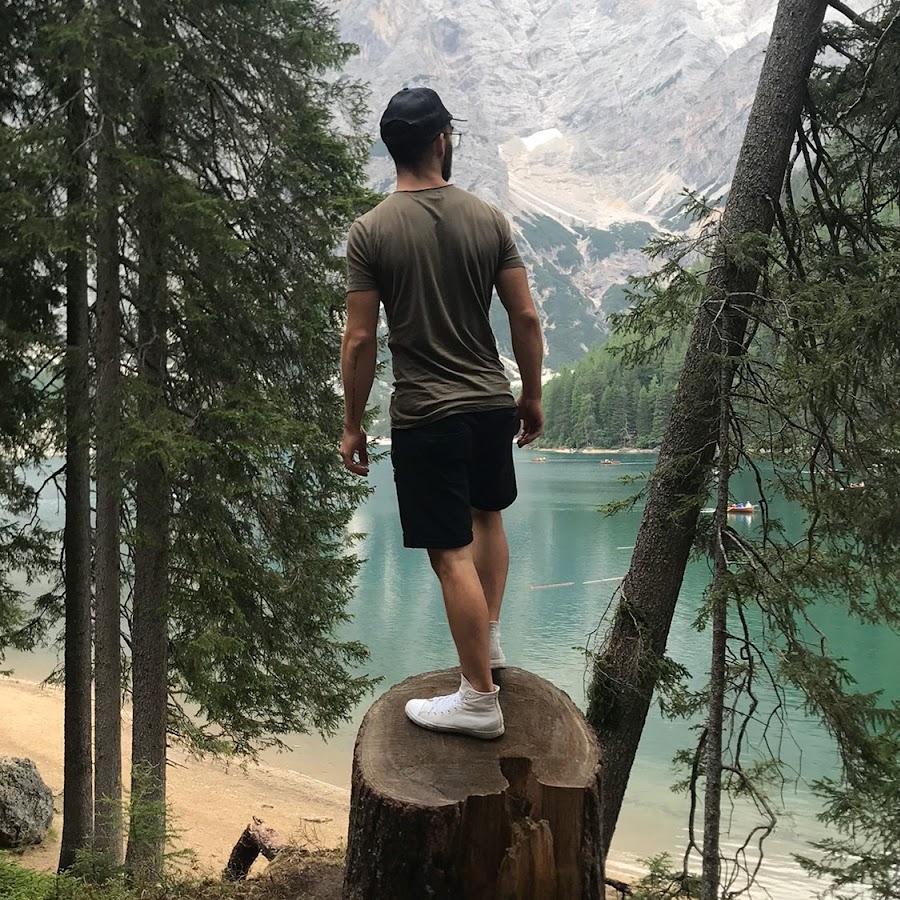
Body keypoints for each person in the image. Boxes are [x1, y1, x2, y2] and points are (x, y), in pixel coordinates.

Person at [340, 86, 544, 739]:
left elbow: (360, 340)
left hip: (427, 414)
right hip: (488, 405)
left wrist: (351, 423)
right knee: (487, 519)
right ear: (440, 141)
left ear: (393, 147)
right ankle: (490, 648)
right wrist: (531, 395)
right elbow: (525, 316)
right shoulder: (488, 219)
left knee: (449, 554)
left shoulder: (371, 231)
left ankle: (479, 697)